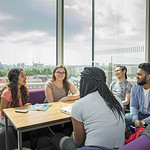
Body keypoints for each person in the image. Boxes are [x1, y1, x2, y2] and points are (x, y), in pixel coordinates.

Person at [52, 67, 125, 150]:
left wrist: (73, 134)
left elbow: (78, 142)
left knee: (56, 137)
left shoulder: (79, 105)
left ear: (84, 83)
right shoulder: (117, 100)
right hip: (119, 148)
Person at [125, 63, 150, 129]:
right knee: (122, 118)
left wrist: (144, 122)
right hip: (141, 114)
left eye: (139, 74)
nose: (136, 77)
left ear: (148, 77)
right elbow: (133, 105)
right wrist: (135, 119)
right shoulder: (135, 87)